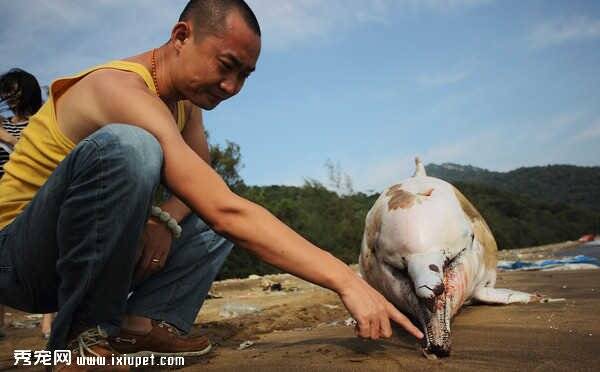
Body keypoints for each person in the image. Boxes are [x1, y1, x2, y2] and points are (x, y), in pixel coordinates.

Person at [0, 0, 423, 368]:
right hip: (17, 261)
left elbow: (206, 186)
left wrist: (164, 222)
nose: (231, 87)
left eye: (245, 76)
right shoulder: (119, 88)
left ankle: (139, 327)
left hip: (77, 259)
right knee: (133, 148)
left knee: (204, 199)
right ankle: (79, 345)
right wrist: (346, 280)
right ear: (182, 36)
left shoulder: (184, 104)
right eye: (226, 66)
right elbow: (225, 212)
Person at [0, 68, 43, 340]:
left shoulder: (41, 122)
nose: (10, 96)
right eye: (6, 91)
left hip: (33, 197)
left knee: (46, 256)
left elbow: (40, 154)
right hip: (3, 196)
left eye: (14, 89)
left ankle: (50, 324)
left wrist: (7, 138)